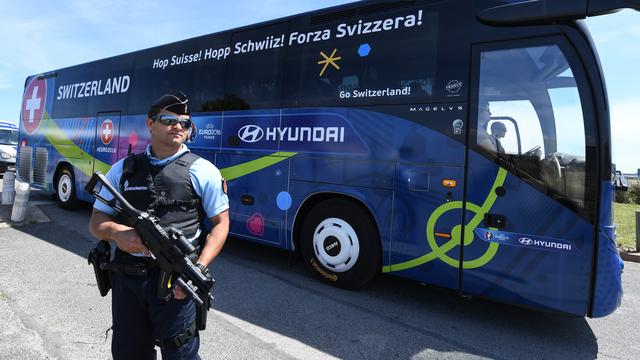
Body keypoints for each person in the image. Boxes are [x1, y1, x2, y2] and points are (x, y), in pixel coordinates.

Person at [89, 91, 230, 360]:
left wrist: (198, 268)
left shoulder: (203, 171)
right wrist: (118, 233)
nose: (178, 126)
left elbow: (221, 224)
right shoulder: (123, 169)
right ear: (150, 123)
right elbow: (96, 222)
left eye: (185, 123)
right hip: (128, 282)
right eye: (169, 119)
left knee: (181, 355)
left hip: (177, 285)